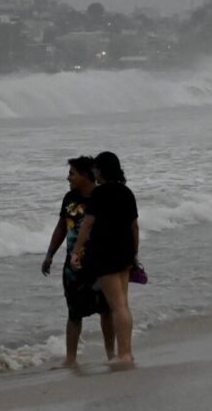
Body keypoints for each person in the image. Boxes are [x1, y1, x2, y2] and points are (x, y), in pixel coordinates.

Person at [42, 156, 114, 367]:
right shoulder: (69, 198)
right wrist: (49, 254)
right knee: (74, 312)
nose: (68, 178)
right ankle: (70, 359)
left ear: (85, 175)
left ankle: (111, 355)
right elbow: (61, 227)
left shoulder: (102, 197)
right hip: (73, 266)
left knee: (106, 310)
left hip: (100, 263)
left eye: (72, 173)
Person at [71, 151, 139, 368]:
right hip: (125, 252)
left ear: (101, 170)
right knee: (124, 305)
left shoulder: (100, 193)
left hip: (105, 253)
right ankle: (127, 352)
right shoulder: (127, 192)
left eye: (96, 169)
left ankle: (124, 354)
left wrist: (76, 251)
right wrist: (134, 254)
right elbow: (134, 227)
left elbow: (87, 225)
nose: (94, 173)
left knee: (116, 305)